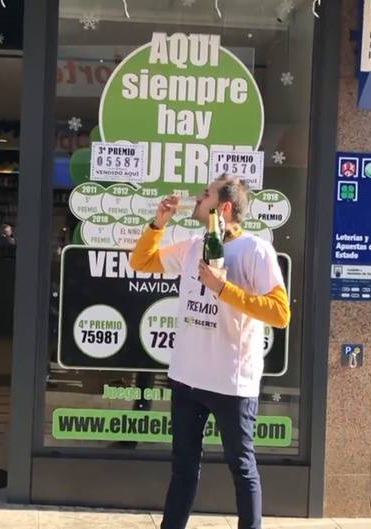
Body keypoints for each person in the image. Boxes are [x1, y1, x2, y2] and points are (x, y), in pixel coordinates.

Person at [129, 175, 290, 529]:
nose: (197, 200)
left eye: (205, 195)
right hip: (187, 377)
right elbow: (141, 262)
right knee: (183, 468)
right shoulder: (191, 246)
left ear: (225, 207)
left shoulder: (255, 250)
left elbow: (280, 314)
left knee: (241, 467)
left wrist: (223, 288)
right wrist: (158, 222)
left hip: (231, 383)